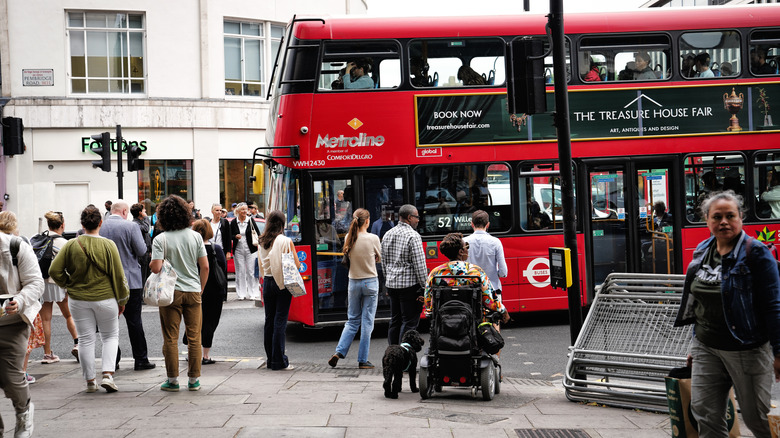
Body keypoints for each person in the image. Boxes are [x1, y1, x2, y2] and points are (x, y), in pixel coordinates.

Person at [674, 191, 780, 438]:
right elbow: (698, 301)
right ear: (707, 220)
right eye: (717, 216)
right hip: (706, 347)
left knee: (758, 419)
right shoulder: (702, 250)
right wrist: (694, 343)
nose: (724, 222)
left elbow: (774, 306)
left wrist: (778, 351)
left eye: (730, 216)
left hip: (748, 349)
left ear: (741, 218)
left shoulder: (757, 253)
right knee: (705, 413)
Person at [49, 205, 128, 393]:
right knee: (110, 336)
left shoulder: (70, 245)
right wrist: (122, 299)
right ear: (100, 223)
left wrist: (67, 283)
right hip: (106, 297)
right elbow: (118, 275)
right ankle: (108, 375)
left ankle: (90, 380)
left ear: (82, 224)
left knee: (85, 339)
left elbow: (54, 270)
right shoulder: (108, 245)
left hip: (78, 299)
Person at [150, 195, 209, 392]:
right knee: (194, 337)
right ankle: (194, 380)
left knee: (170, 337)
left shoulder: (161, 239)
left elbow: (156, 268)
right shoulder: (196, 236)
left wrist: (152, 262)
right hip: (193, 290)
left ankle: (173, 380)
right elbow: (205, 266)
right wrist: (200, 288)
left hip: (170, 293)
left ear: (163, 217)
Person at [0, 212, 43, 438]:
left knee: (12, 377)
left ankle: (23, 413)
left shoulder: (16, 246)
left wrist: (20, 300)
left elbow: (35, 282)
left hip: (12, 324)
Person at [99, 200, 156, 371]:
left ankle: (113, 361)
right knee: (134, 321)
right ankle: (140, 359)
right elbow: (141, 251)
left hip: (107, 281)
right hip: (130, 281)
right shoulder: (131, 227)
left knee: (109, 323)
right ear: (124, 211)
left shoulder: (101, 227)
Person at [328, 209, 382, 370]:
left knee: (352, 321)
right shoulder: (373, 238)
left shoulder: (348, 238)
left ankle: (339, 352)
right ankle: (363, 360)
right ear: (367, 221)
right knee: (367, 322)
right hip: (370, 282)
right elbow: (379, 258)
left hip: (354, 282)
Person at [423, 232, 509, 322]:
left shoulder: (435, 273)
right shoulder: (476, 272)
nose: (467, 250)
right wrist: (503, 310)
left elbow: (428, 303)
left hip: (443, 323)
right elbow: (489, 300)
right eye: (466, 247)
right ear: (461, 252)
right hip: (471, 322)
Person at [257, 210, 300, 371]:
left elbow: (261, 264)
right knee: (280, 321)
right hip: (281, 282)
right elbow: (296, 264)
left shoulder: (261, 241)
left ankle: (270, 359)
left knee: (269, 321)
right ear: (282, 224)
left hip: (267, 282)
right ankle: (279, 361)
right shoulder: (285, 241)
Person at [381, 204, 428, 345]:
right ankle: (404, 355)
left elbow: (384, 263)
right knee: (409, 323)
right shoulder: (413, 236)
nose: (418, 220)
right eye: (417, 217)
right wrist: (425, 287)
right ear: (409, 218)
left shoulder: (388, 234)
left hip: (392, 285)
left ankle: (392, 352)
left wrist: (387, 281)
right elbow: (420, 266)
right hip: (409, 287)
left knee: (395, 320)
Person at [38, 211, 79, 365]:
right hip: (59, 283)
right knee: (68, 315)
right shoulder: (65, 243)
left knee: (46, 319)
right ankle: (77, 343)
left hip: (42, 282)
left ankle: (47, 354)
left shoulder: (39, 239)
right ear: (62, 225)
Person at [191, 219, 227, 365]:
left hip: (195, 288)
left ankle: (193, 353)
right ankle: (205, 356)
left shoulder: (191, 248)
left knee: (194, 321)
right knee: (210, 322)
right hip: (214, 290)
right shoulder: (216, 249)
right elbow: (223, 269)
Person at [229, 203, 261, 300]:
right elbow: (229, 235)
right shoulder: (234, 222)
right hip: (238, 249)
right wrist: (235, 236)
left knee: (251, 272)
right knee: (240, 272)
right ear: (237, 211)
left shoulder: (250, 220)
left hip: (251, 249)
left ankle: (253, 293)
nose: (244, 211)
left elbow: (258, 234)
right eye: (242, 209)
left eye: (245, 209)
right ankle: (241, 294)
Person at [130, 203, 152, 283]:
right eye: (143, 210)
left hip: (146, 253)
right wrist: (146, 217)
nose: (145, 211)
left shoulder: (141, 222)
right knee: (142, 277)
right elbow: (145, 229)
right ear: (140, 212)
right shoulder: (135, 224)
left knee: (147, 276)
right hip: (141, 255)